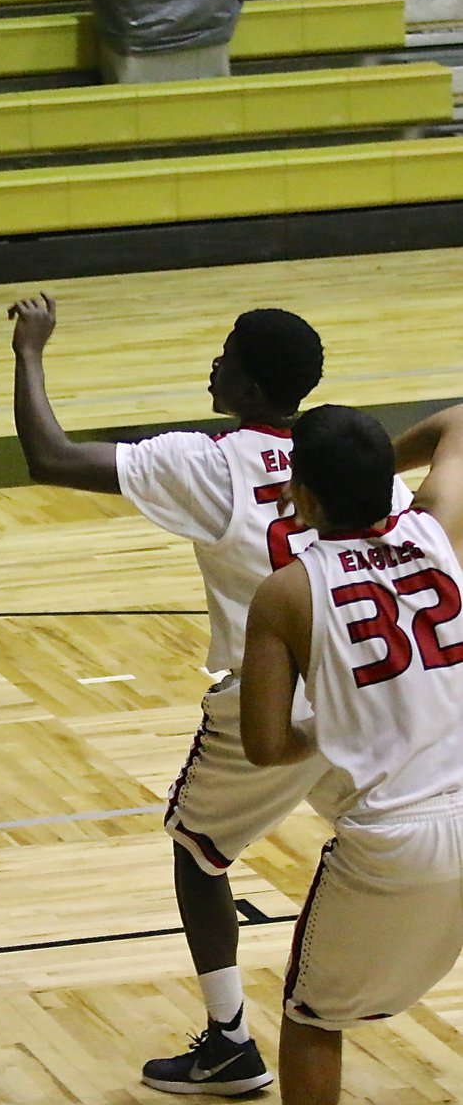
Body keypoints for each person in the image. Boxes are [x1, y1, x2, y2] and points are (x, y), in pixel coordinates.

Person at [9, 292, 371, 1094]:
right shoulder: (333, 452)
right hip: (366, 688)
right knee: (406, 838)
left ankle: (231, 1041)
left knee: (198, 853)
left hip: (272, 702)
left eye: (227, 351)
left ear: (246, 384)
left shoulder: (212, 464)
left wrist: (31, 352)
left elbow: (51, 456)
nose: (214, 361)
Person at [241, 402, 463, 1104]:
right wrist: (372, 465)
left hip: (398, 835)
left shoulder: (284, 593)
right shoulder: (440, 528)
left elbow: (265, 744)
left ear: (302, 497)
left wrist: (333, 727)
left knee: (312, 1018)